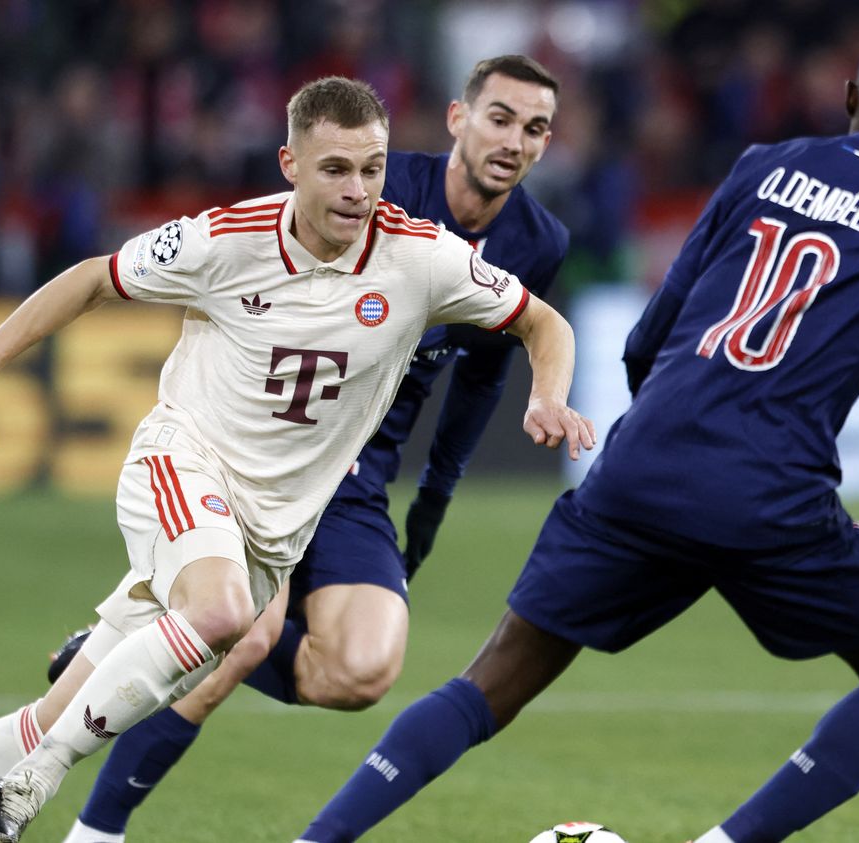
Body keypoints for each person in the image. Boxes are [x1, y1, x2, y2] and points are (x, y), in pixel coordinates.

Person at [290, 27, 859, 843]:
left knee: (489, 684)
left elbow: (647, 337)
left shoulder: (764, 166)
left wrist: (667, 440)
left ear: (852, 95)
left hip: (645, 462)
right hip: (771, 492)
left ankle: (318, 837)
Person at [0, 75, 594, 843]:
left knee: (57, 709)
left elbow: (544, 324)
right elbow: (91, 280)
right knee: (221, 617)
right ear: (291, 167)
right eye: (336, 169)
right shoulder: (227, 238)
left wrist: (544, 395)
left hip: (275, 529)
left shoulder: (422, 258)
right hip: (184, 465)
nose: (359, 190)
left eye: (373, 168)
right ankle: (42, 781)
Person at [52, 55, 569, 843]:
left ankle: (146, 639)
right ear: (460, 119)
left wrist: (432, 501)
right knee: (244, 634)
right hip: (280, 443)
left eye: (535, 128)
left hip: (364, 469)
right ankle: (98, 829)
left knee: (362, 670)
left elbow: (479, 377)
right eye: (499, 117)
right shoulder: (380, 187)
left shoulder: (538, 239)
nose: (514, 140)